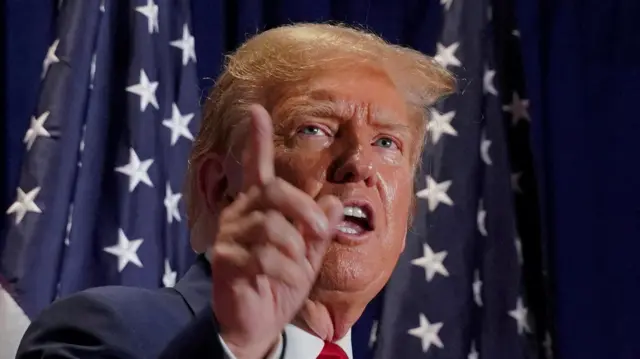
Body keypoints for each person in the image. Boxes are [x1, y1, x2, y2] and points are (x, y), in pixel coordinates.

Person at [16, 23, 455, 359]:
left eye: (386, 142)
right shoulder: (104, 332)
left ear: (407, 214)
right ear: (220, 187)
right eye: (314, 129)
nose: (360, 163)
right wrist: (236, 346)